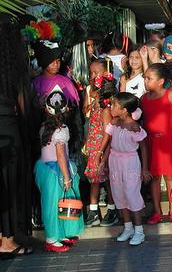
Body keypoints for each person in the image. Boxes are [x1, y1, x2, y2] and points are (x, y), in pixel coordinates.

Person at [0, 14, 36, 257]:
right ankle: (7, 240)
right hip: (7, 126)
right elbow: (24, 104)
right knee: (8, 183)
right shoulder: (13, 68)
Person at [98, 93, 151, 246]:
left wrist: (145, 168)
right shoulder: (114, 123)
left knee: (131, 193)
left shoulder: (135, 127)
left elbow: (144, 148)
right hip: (115, 161)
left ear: (125, 110)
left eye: (114, 105)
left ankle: (139, 231)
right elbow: (110, 144)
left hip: (130, 162)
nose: (111, 108)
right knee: (118, 192)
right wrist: (103, 161)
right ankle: (128, 228)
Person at [34, 87, 83, 253]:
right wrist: (67, 177)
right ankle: (52, 239)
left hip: (44, 168)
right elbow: (61, 155)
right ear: (66, 109)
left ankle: (59, 234)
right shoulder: (62, 129)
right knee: (57, 203)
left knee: (53, 203)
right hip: (57, 171)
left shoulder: (43, 127)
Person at [141, 63, 172, 225]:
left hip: (167, 142)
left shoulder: (170, 96)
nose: (145, 81)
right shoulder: (143, 99)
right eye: (145, 78)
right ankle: (157, 212)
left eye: (149, 78)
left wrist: (167, 132)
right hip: (150, 141)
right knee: (154, 177)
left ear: (160, 81)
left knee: (170, 177)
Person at [83, 72, 118, 227]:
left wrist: (99, 153)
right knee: (94, 180)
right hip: (93, 148)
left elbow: (107, 133)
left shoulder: (105, 111)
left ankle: (112, 209)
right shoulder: (96, 108)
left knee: (107, 180)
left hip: (101, 149)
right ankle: (93, 211)